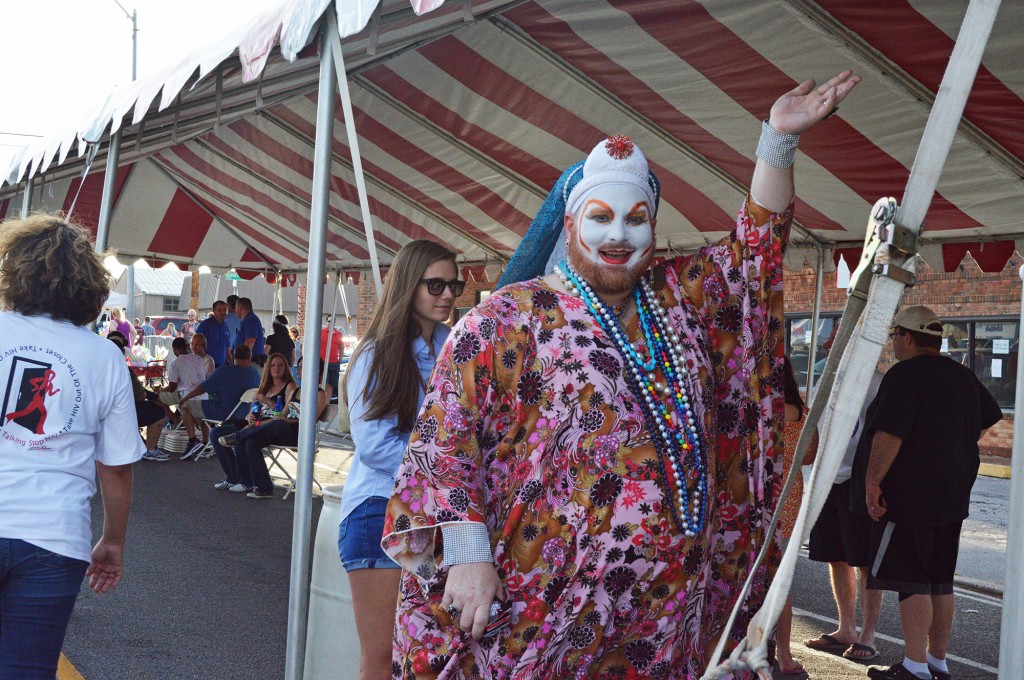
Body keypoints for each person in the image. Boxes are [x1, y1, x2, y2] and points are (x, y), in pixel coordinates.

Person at [382, 71, 860, 676]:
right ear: (574, 220)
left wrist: (777, 144)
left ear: (653, 227)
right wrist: (469, 555)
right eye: (601, 217)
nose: (617, 235)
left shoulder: (681, 299)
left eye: (636, 219)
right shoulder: (506, 319)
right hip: (542, 607)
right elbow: (441, 443)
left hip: (665, 613)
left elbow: (753, 250)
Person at [0, 215, 142, 677]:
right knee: (28, 668)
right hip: (54, 535)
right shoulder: (104, 356)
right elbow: (116, 467)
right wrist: (112, 541)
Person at [853, 306, 1002, 680]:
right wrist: (948, 448)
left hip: (908, 496)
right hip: (951, 494)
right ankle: (937, 663)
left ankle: (915, 666)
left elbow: (889, 434)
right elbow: (987, 418)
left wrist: (872, 482)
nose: (892, 344)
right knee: (940, 581)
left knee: (911, 580)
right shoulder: (963, 375)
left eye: (893, 336)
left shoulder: (905, 374)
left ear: (907, 336)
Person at [339, 240, 456, 677]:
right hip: (379, 513)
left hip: (438, 517)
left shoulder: (455, 346)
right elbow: (374, 446)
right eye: (436, 284)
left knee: (427, 656)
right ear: (409, 285)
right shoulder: (377, 353)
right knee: (384, 658)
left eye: (453, 284)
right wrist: (447, 469)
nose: (448, 294)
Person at [805, 370, 884, 663]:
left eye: (836, 337)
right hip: (826, 476)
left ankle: (868, 635)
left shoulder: (875, 381)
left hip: (858, 477)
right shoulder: (825, 377)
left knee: (864, 560)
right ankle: (846, 629)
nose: (827, 344)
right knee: (835, 557)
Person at [231, 355, 328, 499]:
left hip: (299, 436)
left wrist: (286, 420)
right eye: (300, 367)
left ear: (316, 371)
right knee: (251, 442)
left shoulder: (320, 394)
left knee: (278, 424)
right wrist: (259, 423)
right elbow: (281, 414)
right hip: (280, 430)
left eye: (305, 367)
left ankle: (237, 437)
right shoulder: (295, 392)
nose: (301, 370)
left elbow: (308, 421)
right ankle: (264, 488)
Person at [775, 356, 818, 676]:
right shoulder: (801, 413)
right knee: (781, 583)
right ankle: (784, 654)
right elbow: (811, 454)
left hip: (758, 501)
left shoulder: (758, 408)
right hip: (790, 500)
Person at [211, 353, 296, 493]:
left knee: (245, 437)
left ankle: (246, 481)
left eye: (281, 365)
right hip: (256, 425)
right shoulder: (265, 386)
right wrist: (250, 416)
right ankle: (233, 477)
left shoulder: (289, 386)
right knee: (216, 433)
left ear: (286, 367)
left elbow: (285, 414)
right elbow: (256, 410)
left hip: (274, 426)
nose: (277, 368)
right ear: (268, 368)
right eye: (273, 365)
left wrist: (267, 401)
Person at [108, 334, 168, 462]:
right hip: (123, 413)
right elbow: (140, 396)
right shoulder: (124, 369)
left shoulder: (97, 366)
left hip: (100, 413)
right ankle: (150, 450)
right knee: (158, 411)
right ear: (122, 351)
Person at [158, 336, 214, 460]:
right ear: (187, 346)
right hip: (204, 397)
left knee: (161, 398)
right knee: (202, 416)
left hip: (187, 396)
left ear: (174, 349)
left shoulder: (175, 363)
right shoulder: (199, 359)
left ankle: (188, 435)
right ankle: (205, 442)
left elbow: (172, 387)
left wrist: (162, 390)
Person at [179, 345, 261, 423]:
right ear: (250, 358)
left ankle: (192, 437)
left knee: (186, 405)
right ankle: (203, 435)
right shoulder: (255, 373)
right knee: (200, 406)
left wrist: (185, 398)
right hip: (244, 415)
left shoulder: (224, 371)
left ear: (233, 357)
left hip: (221, 413)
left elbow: (202, 388)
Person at [195, 300, 231, 368]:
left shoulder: (226, 326)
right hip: (206, 366)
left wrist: (231, 364)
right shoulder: (205, 325)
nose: (222, 312)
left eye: (224, 310)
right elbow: (196, 346)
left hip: (222, 367)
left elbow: (227, 348)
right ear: (213, 311)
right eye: (219, 310)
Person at [231, 297, 266, 367]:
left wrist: (242, 360)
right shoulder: (247, 320)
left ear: (240, 308)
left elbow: (250, 341)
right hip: (248, 362)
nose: (235, 310)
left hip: (250, 362)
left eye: (236, 307)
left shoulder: (251, 320)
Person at [320, 316, 344, 400]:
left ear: (335, 323)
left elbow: (342, 346)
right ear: (326, 322)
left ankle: (328, 401)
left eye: (333, 321)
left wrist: (340, 358)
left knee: (332, 383)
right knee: (324, 382)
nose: (331, 323)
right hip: (323, 362)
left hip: (334, 362)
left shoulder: (339, 334)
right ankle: (322, 399)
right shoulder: (321, 332)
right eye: (329, 321)